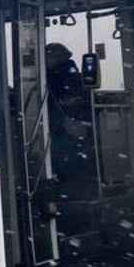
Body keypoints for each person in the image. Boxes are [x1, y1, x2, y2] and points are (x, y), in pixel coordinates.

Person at [44, 42, 94, 187]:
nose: (45, 61)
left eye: (48, 57)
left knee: (64, 162)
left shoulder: (59, 77)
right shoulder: (72, 76)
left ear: (57, 58)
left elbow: (62, 103)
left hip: (64, 131)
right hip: (69, 130)